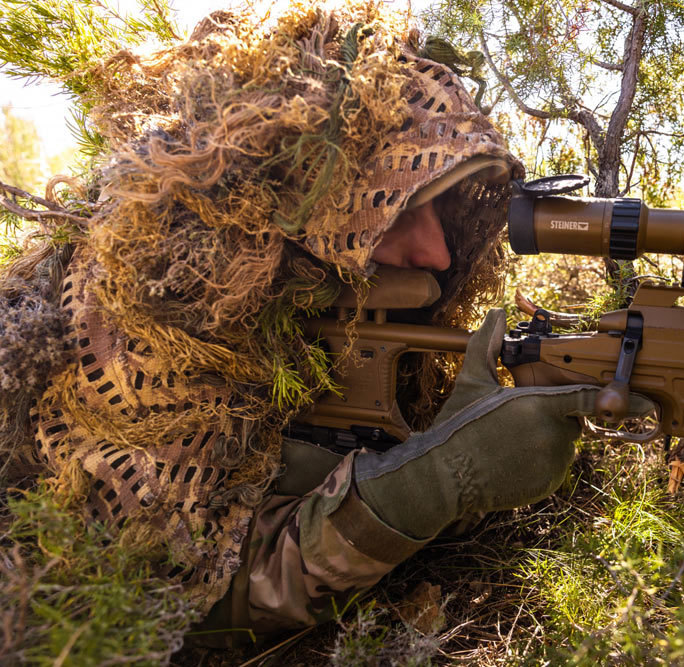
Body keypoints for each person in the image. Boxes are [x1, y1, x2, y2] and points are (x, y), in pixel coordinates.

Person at [1, 1, 651, 645]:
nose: (439, 254)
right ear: (304, 213)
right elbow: (159, 588)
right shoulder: (152, 307)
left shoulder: (348, 310)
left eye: (445, 210)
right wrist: (435, 482)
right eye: (397, 212)